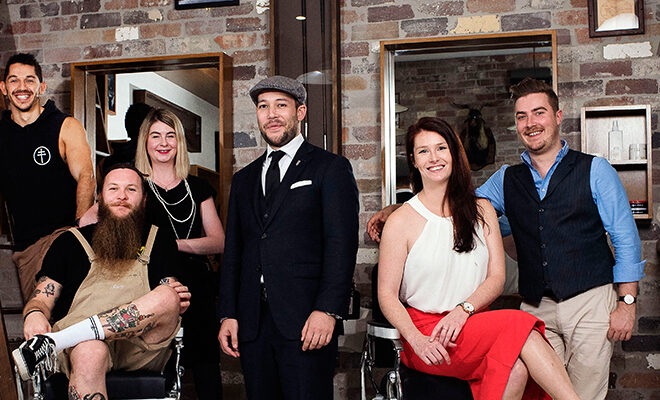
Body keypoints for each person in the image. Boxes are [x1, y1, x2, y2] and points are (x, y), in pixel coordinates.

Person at [369, 78, 645, 400]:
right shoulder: (504, 180)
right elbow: (450, 214)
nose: (530, 123)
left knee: (585, 391)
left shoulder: (595, 169)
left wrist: (627, 302)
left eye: (539, 113)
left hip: (589, 302)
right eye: (521, 116)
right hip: (537, 306)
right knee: (538, 391)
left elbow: (625, 239)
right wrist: (396, 211)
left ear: (557, 117)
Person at [378, 116, 580, 400]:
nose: (434, 157)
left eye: (441, 148)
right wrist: (416, 339)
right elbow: (386, 294)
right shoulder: (400, 221)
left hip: (472, 323)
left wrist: (463, 310)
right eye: (423, 151)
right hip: (426, 332)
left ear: (454, 153)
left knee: (517, 370)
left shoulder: (482, 210)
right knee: (520, 324)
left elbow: (497, 278)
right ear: (413, 160)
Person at [217, 75, 359, 400]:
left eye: (281, 105)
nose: (272, 114)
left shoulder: (330, 168)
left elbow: (341, 245)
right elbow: (234, 251)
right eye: (263, 107)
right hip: (252, 323)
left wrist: (327, 310)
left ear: (300, 112)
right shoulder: (243, 179)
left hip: (307, 319)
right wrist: (228, 313)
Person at [12, 165, 190, 400]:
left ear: (144, 199)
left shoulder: (160, 240)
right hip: (83, 347)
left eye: (131, 189)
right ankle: (72, 338)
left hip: (141, 347)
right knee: (89, 352)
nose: (122, 196)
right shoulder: (69, 243)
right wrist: (35, 313)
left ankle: (55, 342)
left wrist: (176, 301)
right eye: (113, 189)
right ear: (100, 197)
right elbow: (42, 298)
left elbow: (169, 294)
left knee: (168, 295)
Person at [0, 53, 95, 299]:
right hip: (27, 246)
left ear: (41, 87)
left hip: (64, 234)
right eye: (14, 80)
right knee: (40, 314)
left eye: (29, 80)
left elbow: (86, 176)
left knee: (66, 308)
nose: (22, 87)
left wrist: (79, 231)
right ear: (4, 88)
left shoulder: (66, 126)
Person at [134, 108, 225, 399]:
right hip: (150, 286)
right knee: (155, 368)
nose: (163, 143)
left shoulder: (197, 187)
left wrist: (172, 244)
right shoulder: (134, 186)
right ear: (145, 141)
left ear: (179, 142)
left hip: (197, 286)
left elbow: (219, 242)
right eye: (156, 136)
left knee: (206, 368)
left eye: (170, 135)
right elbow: (93, 222)